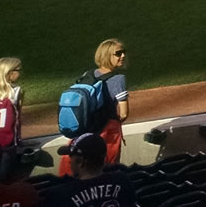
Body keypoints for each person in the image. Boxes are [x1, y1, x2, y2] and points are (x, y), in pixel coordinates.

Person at [56, 41, 128, 177]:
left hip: (83, 129)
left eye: (124, 52)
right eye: (118, 53)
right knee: (107, 171)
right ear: (107, 55)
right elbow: (124, 113)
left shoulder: (87, 74)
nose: (123, 56)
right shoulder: (119, 79)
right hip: (108, 132)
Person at [43, 134, 137, 207]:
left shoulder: (60, 194)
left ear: (80, 162)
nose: (69, 162)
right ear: (104, 158)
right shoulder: (122, 180)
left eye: (71, 157)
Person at [0, 57, 20, 150]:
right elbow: (17, 119)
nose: (21, 73)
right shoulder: (17, 91)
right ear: (10, 73)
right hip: (8, 145)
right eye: (19, 70)